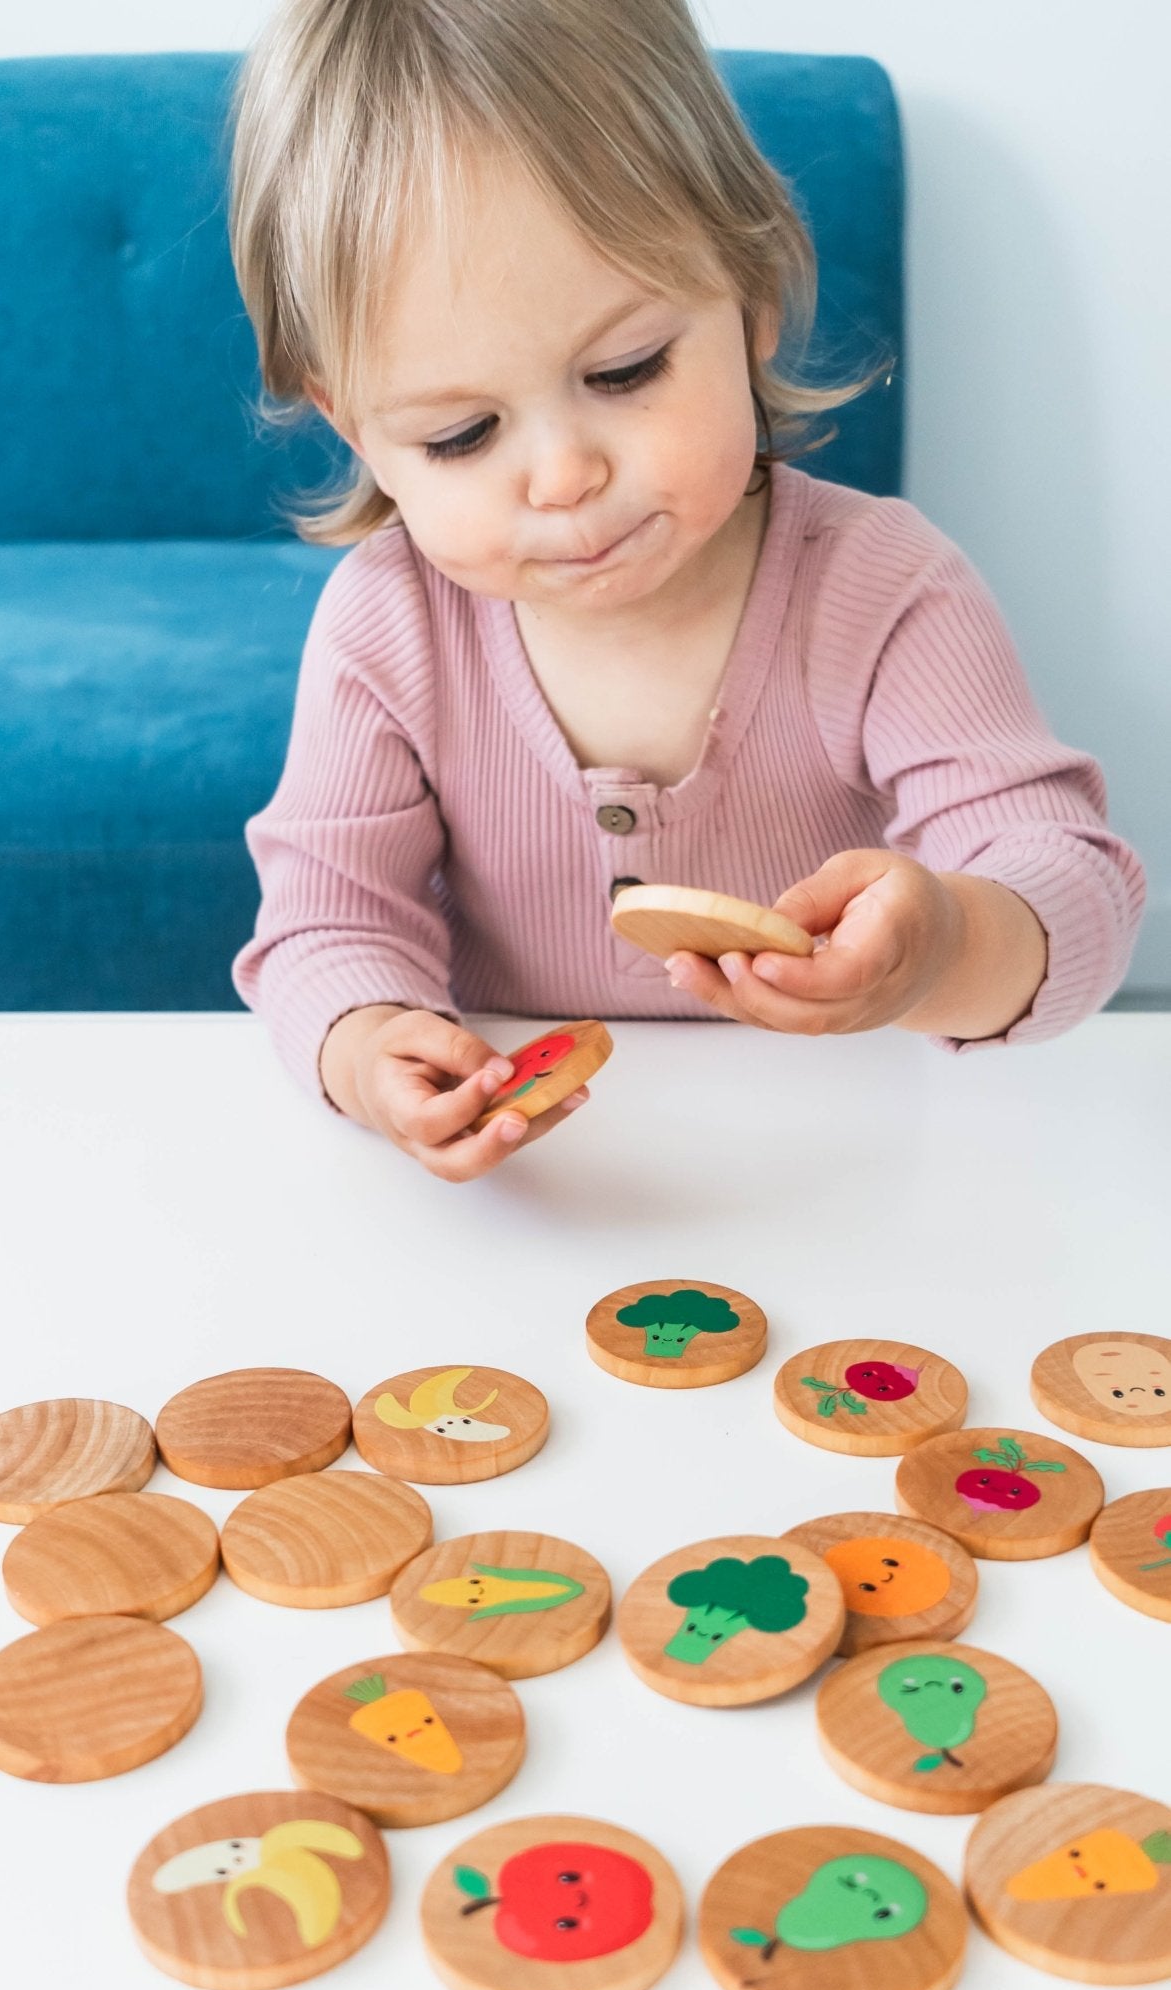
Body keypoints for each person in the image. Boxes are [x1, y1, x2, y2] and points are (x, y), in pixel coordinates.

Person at [226, 0, 1145, 1182]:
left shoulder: (884, 588)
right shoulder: (386, 625)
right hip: (550, 1184)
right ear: (356, 425)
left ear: (750, 295)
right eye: (459, 434)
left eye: (625, 369)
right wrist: (368, 1052)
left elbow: (1066, 878)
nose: (564, 478)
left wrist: (946, 947)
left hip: (864, 1165)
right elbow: (324, 923)